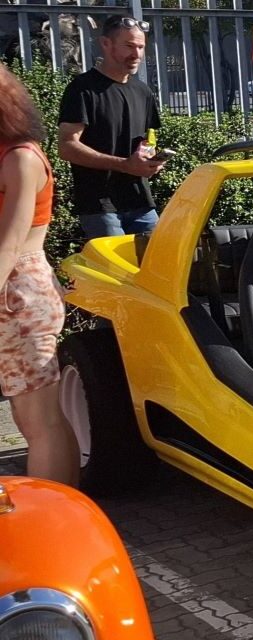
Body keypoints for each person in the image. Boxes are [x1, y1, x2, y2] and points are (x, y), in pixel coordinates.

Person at [0, 65, 79, 486]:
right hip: (17, 291)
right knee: (39, 417)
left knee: (40, 421)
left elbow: (9, 244)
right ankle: (65, 511)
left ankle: (56, 517)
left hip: (19, 292)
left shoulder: (21, 158)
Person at [57, 15, 164, 239]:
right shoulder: (83, 89)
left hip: (141, 202)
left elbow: (146, 141)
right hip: (100, 206)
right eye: (129, 46)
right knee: (114, 272)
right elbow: (67, 147)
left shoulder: (142, 91)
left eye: (141, 47)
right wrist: (125, 165)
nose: (136, 54)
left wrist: (150, 161)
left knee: (159, 268)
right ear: (106, 44)